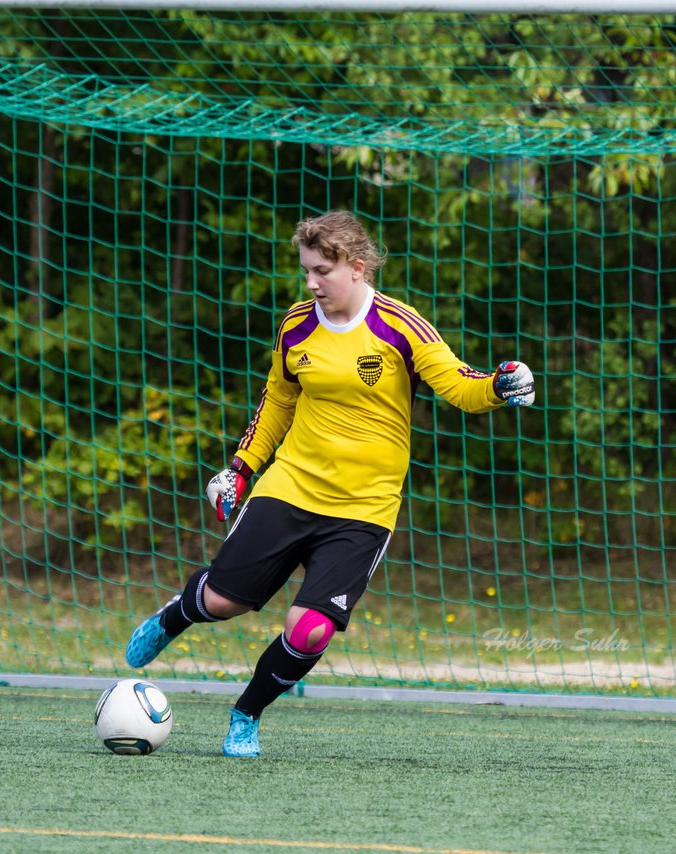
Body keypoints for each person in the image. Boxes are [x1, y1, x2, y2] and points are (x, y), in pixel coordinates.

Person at [126, 210, 535, 757]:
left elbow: (459, 384)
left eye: (322, 271)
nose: (311, 283)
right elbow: (277, 401)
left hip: (364, 508)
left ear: (357, 268)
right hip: (291, 485)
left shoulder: (400, 326)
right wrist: (240, 469)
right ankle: (176, 615)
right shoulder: (297, 324)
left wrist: (500, 385)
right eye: (306, 272)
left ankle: (246, 714)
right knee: (224, 602)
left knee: (311, 628)